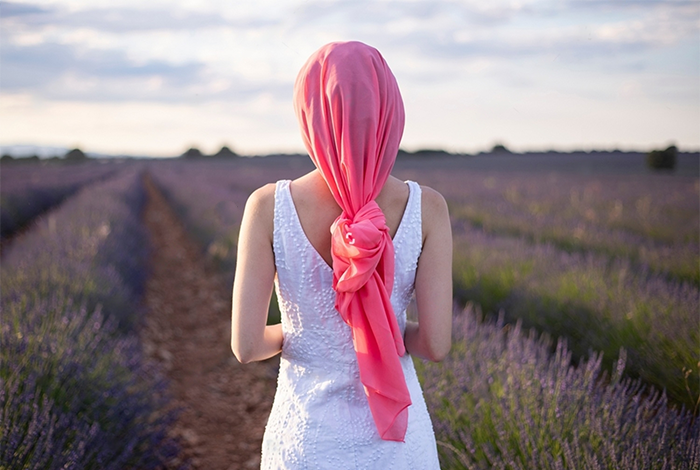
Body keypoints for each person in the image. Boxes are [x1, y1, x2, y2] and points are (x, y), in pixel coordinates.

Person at [231, 41, 452, 469]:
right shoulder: (428, 208)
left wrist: (303, 332)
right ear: (389, 113)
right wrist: (381, 328)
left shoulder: (267, 207)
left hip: (306, 443)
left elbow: (246, 345)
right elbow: (435, 344)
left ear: (309, 114)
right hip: (399, 446)